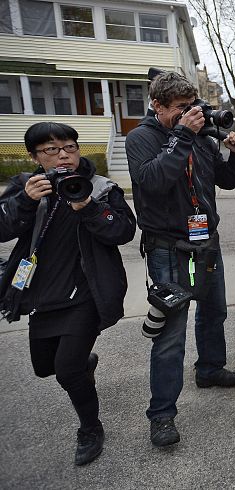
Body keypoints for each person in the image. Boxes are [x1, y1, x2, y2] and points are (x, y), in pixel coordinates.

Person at [0, 122, 136, 466]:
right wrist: (26, 203)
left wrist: (88, 206)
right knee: (45, 367)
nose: (63, 155)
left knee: (66, 370)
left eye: (70, 147)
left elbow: (122, 231)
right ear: (35, 156)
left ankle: (90, 428)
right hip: (41, 296)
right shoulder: (25, 187)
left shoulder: (101, 188)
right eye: (51, 150)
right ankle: (85, 363)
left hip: (85, 294)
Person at [126, 71, 235, 448]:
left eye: (192, 106)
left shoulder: (198, 137)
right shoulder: (141, 138)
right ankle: (162, 415)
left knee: (214, 310)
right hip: (167, 247)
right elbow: (154, 181)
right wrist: (181, 136)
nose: (190, 114)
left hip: (205, 241)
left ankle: (210, 368)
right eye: (181, 109)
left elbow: (225, 180)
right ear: (157, 106)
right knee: (170, 334)